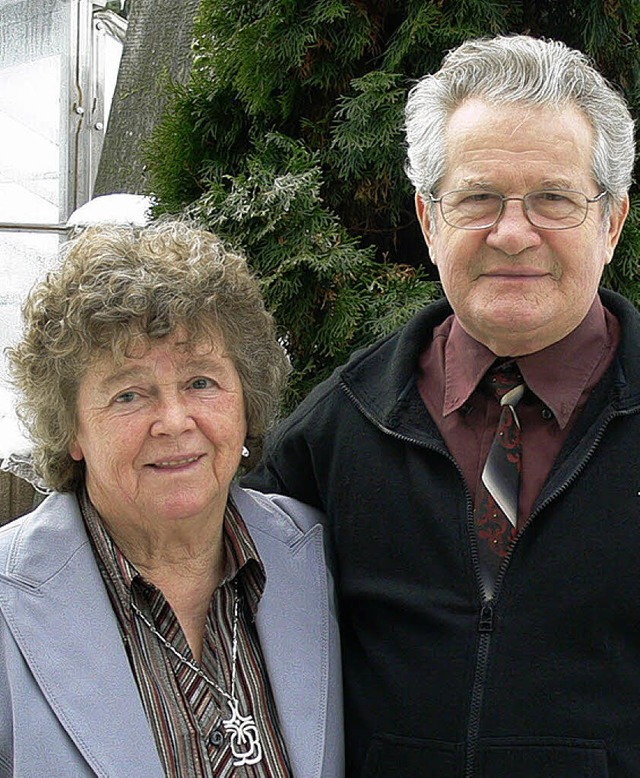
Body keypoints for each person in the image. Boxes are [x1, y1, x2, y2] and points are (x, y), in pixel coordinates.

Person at [244, 35, 640, 777]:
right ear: (429, 220)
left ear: (611, 222)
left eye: (553, 198)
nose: (513, 232)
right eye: (477, 198)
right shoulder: (335, 432)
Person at [0, 221, 343, 777]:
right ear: (72, 430)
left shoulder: (323, 557)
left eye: (201, 382)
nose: (174, 421)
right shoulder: (8, 601)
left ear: (245, 400)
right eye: (129, 393)